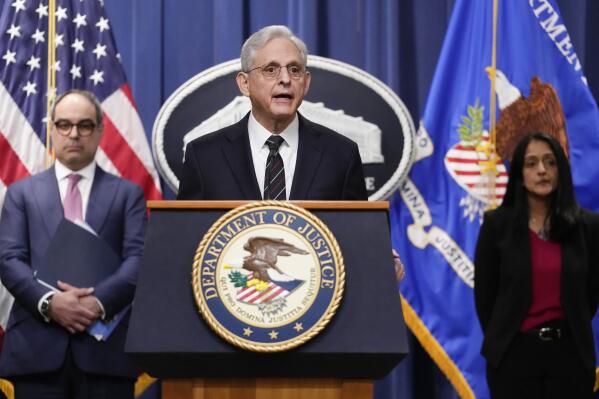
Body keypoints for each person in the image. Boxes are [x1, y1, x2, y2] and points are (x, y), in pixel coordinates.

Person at [0, 90, 147, 398]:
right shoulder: (21, 194)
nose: (74, 134)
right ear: (51, 129)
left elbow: (139, 259)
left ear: (100, 130)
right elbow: (9, 259)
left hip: (106, 355)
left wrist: (97, 303)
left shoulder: (128, 194)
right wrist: (50, 303)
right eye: (64, 125)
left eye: (85, 125)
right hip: (36, 351)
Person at [177, 25, 367, 201]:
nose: (285, 79)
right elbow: (187, 234)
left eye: (294, 70)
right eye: (270, 69)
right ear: (245, 83)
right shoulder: (204, 156)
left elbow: (359, 234)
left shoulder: (341, 155)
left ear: (306, 83)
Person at [474, 132, 599, 398]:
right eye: (531, 163)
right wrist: (508, 340)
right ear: (519, 173)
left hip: (571, 357)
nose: (542, 170)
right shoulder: (497, 226)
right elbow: (485, 299)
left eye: (550, 162)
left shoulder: (587, 227)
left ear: (561, 170)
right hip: (513, 357)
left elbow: (590, 296)